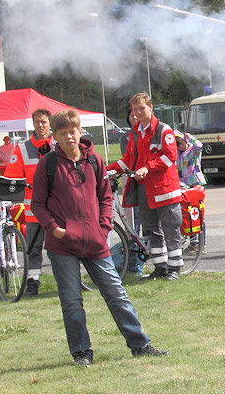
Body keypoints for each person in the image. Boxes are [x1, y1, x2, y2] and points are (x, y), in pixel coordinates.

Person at [31, 110, 168, 367]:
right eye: (63, 134)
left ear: (80, 131)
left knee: (117, 294)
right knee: (72, 301)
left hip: (95, 241)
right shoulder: (47, 165)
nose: (69, 137)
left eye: (73, 131)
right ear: (56, 137)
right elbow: (37, 205)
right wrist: (55, 229)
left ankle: (140, 345)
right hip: (62, 245)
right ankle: (81, 353)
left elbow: (106, 198)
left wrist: (104, 227)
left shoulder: (94, 160)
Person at [109, 93, 184, 281]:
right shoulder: (135, 133)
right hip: (145, 189)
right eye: (134, 109)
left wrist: (147, 167)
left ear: (150, 107)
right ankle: (160, 267)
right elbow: (128, 160)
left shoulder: (163, 130)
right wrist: (107, 170)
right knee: (151, 229)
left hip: (164, 188)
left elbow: (169, 157)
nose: (137, 112)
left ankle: (175, 268)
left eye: (141, 108)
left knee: (170, 228)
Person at [4, 108, 54, 296]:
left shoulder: (58, 145)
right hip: (34, 212)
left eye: (44, 122)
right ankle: (33, 282)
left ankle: (68, 279)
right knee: (33, 249)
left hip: (57, 209)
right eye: (37, 122)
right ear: (33, 124)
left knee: (61, 248)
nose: (40, 125)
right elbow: (12, 178)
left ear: (49, 123)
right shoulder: (23, 149)